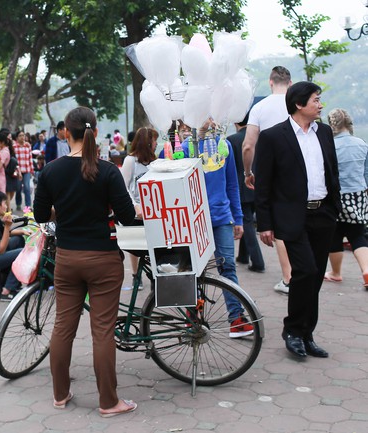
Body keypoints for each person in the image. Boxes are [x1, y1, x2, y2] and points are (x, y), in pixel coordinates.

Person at [34, 106, 138, 417]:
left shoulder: (51, 170)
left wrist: (62, 212)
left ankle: (60, 394)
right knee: (102, 331)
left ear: (66, 132)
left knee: (63, 327)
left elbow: (41, 215)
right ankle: (108, 402)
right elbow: (127, 216)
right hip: (103, 259)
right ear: (93, 130)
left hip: (67, 259)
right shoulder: (107, 170)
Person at [255, 81, 340, 359]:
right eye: (316, 100)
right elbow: (264, 183)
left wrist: (335, 207)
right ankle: (292, 330)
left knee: (315, 277)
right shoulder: (273, 137)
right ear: (299, 104)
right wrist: (264, 223)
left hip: (323, 214)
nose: (320, 104)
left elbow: (332, 172)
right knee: (304, 270)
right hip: (292, 216)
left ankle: (306, 333)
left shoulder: (324, 132)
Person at [160, 120, 255, 339]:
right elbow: (171, 175)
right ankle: (192, 318)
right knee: (191, 270)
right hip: (193, 218)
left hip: (221, 217)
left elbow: (232, 184)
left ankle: (236, 319)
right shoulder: (183, 148)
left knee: (228, 267)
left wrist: (237, 217)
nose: (210, 121)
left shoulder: (225, 146)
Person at [242, 66, 293, 294]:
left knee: (279, 224)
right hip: (300, 170)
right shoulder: (297, 104)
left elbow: (248, 145)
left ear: (270, 82)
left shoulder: (260, 108)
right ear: (290, 83)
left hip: (271, 171)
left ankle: (288, 277)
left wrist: (248, 172)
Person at [323, 108, 368, 288]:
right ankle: (366, 269)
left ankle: (336, 273)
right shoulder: (362, 144)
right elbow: (366, 174)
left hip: (336, 196)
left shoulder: (330, 146)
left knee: (335, 234)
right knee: (358, 234)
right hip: (358, 195)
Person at [119, 126, 158, 288]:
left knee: (153, 245)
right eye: (154, 140)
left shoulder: (154, 161)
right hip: (137, 213)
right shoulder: (131, 160)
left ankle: (154, 276)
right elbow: (123, 185)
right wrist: (135, 206)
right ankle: (136, 275)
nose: (156, 143)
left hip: (152, 212)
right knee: (135, 246)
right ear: (147, 142)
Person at [229, 112, 265, 273]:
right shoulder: (258, 138)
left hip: (241, 185)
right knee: (248, 220)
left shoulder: (231, 140)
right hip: (259, 184)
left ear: (236, 123)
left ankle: (258, 261)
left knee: (247, 222)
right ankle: (243, 256)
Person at [13, 130, 33, 211]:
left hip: (27, 170)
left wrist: (31, 171)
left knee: (27, 188)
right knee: (18, 188)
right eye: (20, 135)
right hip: (18, 172)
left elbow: (30, 158)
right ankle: (18, 204)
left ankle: (27, 207)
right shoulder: (14, 147)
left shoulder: (28, 146)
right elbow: (14, 160)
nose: (22, 137)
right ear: (17, 138)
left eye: (23, 135)